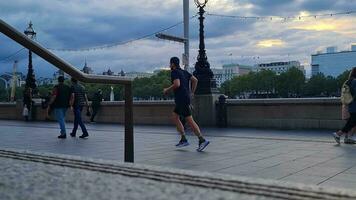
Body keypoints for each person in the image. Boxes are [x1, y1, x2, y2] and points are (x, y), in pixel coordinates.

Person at [163, 57, 210, 152]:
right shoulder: (184, 72)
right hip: (184, 98)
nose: (169, 65)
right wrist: (191, 93)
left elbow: (177, 84)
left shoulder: (174, 72)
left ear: (172, 64)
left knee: (190, 120)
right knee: (175, 117)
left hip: (181, 99)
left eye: (170, 63)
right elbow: (195, 80)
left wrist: (166, 90)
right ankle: (183, 138)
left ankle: (202, 140)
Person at [333, 67, 356, 144]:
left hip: (349, 104)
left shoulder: (348, 81)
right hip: (354, 105)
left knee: (351, 122)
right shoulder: (355, 82)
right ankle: (338, 134)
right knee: (351, 122)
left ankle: (342, 135)